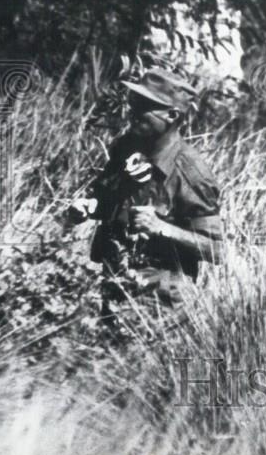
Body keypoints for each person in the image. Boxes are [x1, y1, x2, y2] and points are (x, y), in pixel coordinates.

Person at [66, 68, 223, 312]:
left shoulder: (191, 172)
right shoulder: (126, 147)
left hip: (159, 302)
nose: (133, 111)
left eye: (145, 105)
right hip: (111, 281)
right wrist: (89, 207)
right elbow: (105, 198)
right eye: (135, 102)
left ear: (172, 115)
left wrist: (162, 228)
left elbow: (216, 250)